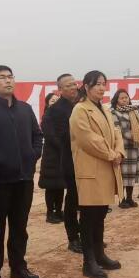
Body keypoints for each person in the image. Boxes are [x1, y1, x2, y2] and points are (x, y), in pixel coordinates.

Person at [0, 65, 44, 278]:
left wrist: (33, 154)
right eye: (1, 77)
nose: (8, 81)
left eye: (10, 77)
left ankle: (18, 267)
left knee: (19, 227)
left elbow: (37, 136)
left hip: (24, 179)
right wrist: (0, 161)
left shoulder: (25, 109)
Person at [69, 70, 125, 278]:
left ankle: (100, 255)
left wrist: (119, 151)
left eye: (103, 83)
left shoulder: (105, 108)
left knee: (100, 214)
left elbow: (116, 133)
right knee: (88, 217)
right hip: (91, 170)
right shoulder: (80, 110)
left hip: (106, 167)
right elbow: (87, 139)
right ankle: (89, 261)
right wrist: (111, 154)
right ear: (86, 86)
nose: (102, 87)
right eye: (97, 84)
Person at [49, 73, 82, 253]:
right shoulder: (57, 109)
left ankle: (87, 235)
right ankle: (73, 238)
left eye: (74, 84)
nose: (73, 87)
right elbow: (62, 136)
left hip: (86, 159)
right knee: (73, 200)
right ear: (60, 89)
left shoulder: (81, 104)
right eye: (68, 85)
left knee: (87, 201)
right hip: (70, 160)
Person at [110, 89, 139, 208]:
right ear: (117, 100)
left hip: (134, 147)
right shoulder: (114, 112)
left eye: (126, 97)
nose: (125, 100)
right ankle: (122, 199)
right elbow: (118, 129)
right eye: (122, 98)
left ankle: (129, 198)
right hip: (122, 148)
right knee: (122, 175)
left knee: (132, 174)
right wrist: (134, 136)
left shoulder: (134, 110)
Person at [39, 92, 65, 224]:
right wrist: (63, 146)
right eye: (52, 101)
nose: (55, 103)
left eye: (57, 101)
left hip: (62, 156)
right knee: (51, 186)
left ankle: (59, 211)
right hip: (51, 156)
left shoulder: (62, 116)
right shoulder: (47, 117)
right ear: (48, 104)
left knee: (60, 185)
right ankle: (50, 213)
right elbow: (50, 136)